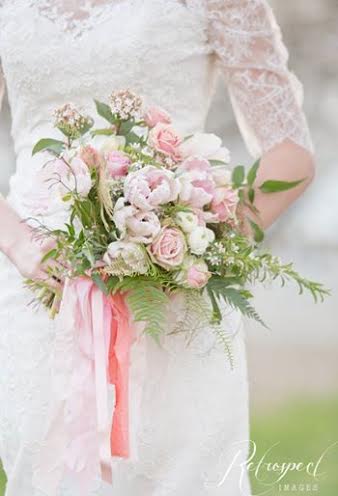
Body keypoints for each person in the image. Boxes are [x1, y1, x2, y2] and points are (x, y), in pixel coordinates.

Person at [0, 1, 314, 495]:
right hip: (39, 291)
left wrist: (202, 243)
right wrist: (17, 242)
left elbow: (290, 156)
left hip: (174, 296)